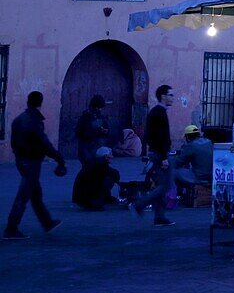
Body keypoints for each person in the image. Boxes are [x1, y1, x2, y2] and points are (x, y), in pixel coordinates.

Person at [4, 91, 66, 239]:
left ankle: (47, 222)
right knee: (24, 195)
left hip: (22, 160)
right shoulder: (33, 121)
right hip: (31, 161)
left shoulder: (19, 120)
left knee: (35, 193)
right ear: (40, 103)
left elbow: (13, 143)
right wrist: (58, 158)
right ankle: (11, 229)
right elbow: (43, 143)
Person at [129, 84, 176, 227]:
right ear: (163, 96)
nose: (172, 98)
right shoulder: (159, 113)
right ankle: (139, 205)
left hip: (156, 152)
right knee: (165, 186)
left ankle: (159, 217)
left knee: (161, 185)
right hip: (159, 153)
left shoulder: (157, 112)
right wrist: (163, 157)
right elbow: (159, 136)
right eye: (170, 95)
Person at [72, 146, 120, 211]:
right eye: (110, 155)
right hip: (85, 199)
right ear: (106, 156)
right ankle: (97, 200)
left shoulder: (95, 162)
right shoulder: (100, 164)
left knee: (106, 178)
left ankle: (103, 198)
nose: (112, 157)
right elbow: (115, 174)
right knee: (109, 179)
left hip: (80, 198)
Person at [174, 125, 214, 191]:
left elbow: (178, 162)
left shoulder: (191, 146)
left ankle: (181, 194)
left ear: (187, 137)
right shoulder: (208, 142)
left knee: (174, 172)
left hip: (199, 177)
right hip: (210, 176)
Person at [75, 95, 109, 170]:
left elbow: (106, 130)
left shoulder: (100, 117)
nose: (99, 109)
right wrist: (96, 132)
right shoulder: (84, 118)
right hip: (86, 150)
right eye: (98, 108)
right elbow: (80, 134)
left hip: (98, 149)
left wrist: (105, 131)